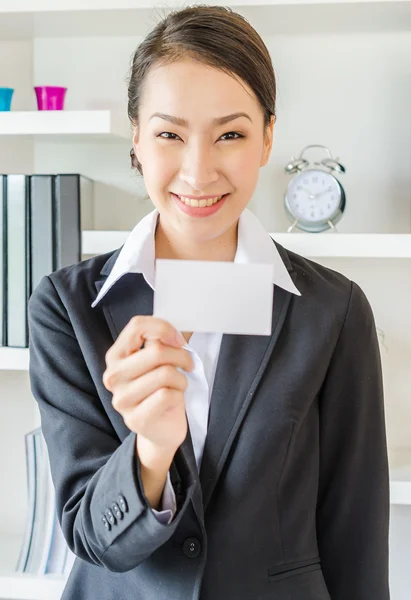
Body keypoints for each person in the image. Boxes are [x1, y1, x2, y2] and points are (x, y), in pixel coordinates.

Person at [27, 5, 390, 600]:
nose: (198, 172)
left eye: (231, 134)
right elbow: (90, 535)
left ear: (268, 138)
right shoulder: (68, 309)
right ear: (137, 138)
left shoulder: (334, 311)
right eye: (170, 134)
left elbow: (356, 538)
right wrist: (150, 449)